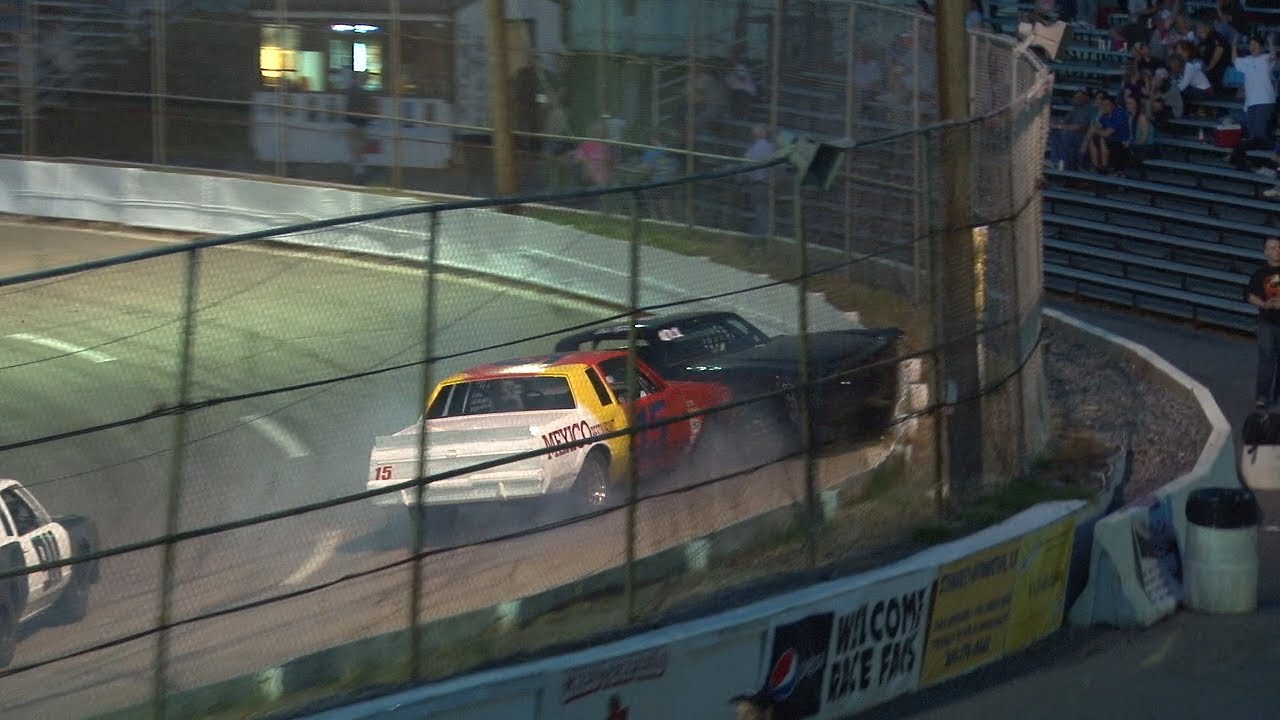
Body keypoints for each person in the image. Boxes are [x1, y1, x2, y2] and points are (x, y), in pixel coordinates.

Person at [1246, 236, 1280, 409]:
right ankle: (1263, 395)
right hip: (1267, 322)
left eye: (1278, 247)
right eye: (1272, 248)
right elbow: (1250, 295)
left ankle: (1277, 396)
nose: (1276, 250)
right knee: (1266, 360)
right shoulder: (1260, 273)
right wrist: (1264, 304)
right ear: (1265, 251)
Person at [1048, 88, 1096, 170]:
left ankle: (1065, 163)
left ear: (1087, 97)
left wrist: (1060, 126)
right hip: (1072, 135)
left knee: (1065, 133)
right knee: (1055, 132)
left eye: (1080, 96)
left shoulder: (1090, 109)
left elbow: (1079, 127)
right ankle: (1057, 161)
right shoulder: (1076, 109)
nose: (1076, 98)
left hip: (1084, 137)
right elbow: (1064, 121)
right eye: (1076, 96)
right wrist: (1054, 125)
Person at [345, 70, 376, 184]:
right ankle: (358, 174)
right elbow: (361, 108)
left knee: (357, 149)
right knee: (358, 149)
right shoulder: (360, 92)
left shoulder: (353, 90)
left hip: (355, 123)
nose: (367, 81)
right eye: (366, 79)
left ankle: (358, 173)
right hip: (358, 124)